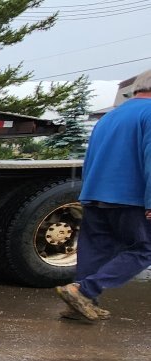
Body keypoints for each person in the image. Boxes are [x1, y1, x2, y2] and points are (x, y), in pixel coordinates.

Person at [56, 69, 151, 321]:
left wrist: (87, 191)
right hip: (131, 197)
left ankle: (79, 303)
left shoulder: (110, 117)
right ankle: (84, 290)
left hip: (96, 193)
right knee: (145, 249)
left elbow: (91, 157)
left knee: (96, 248)